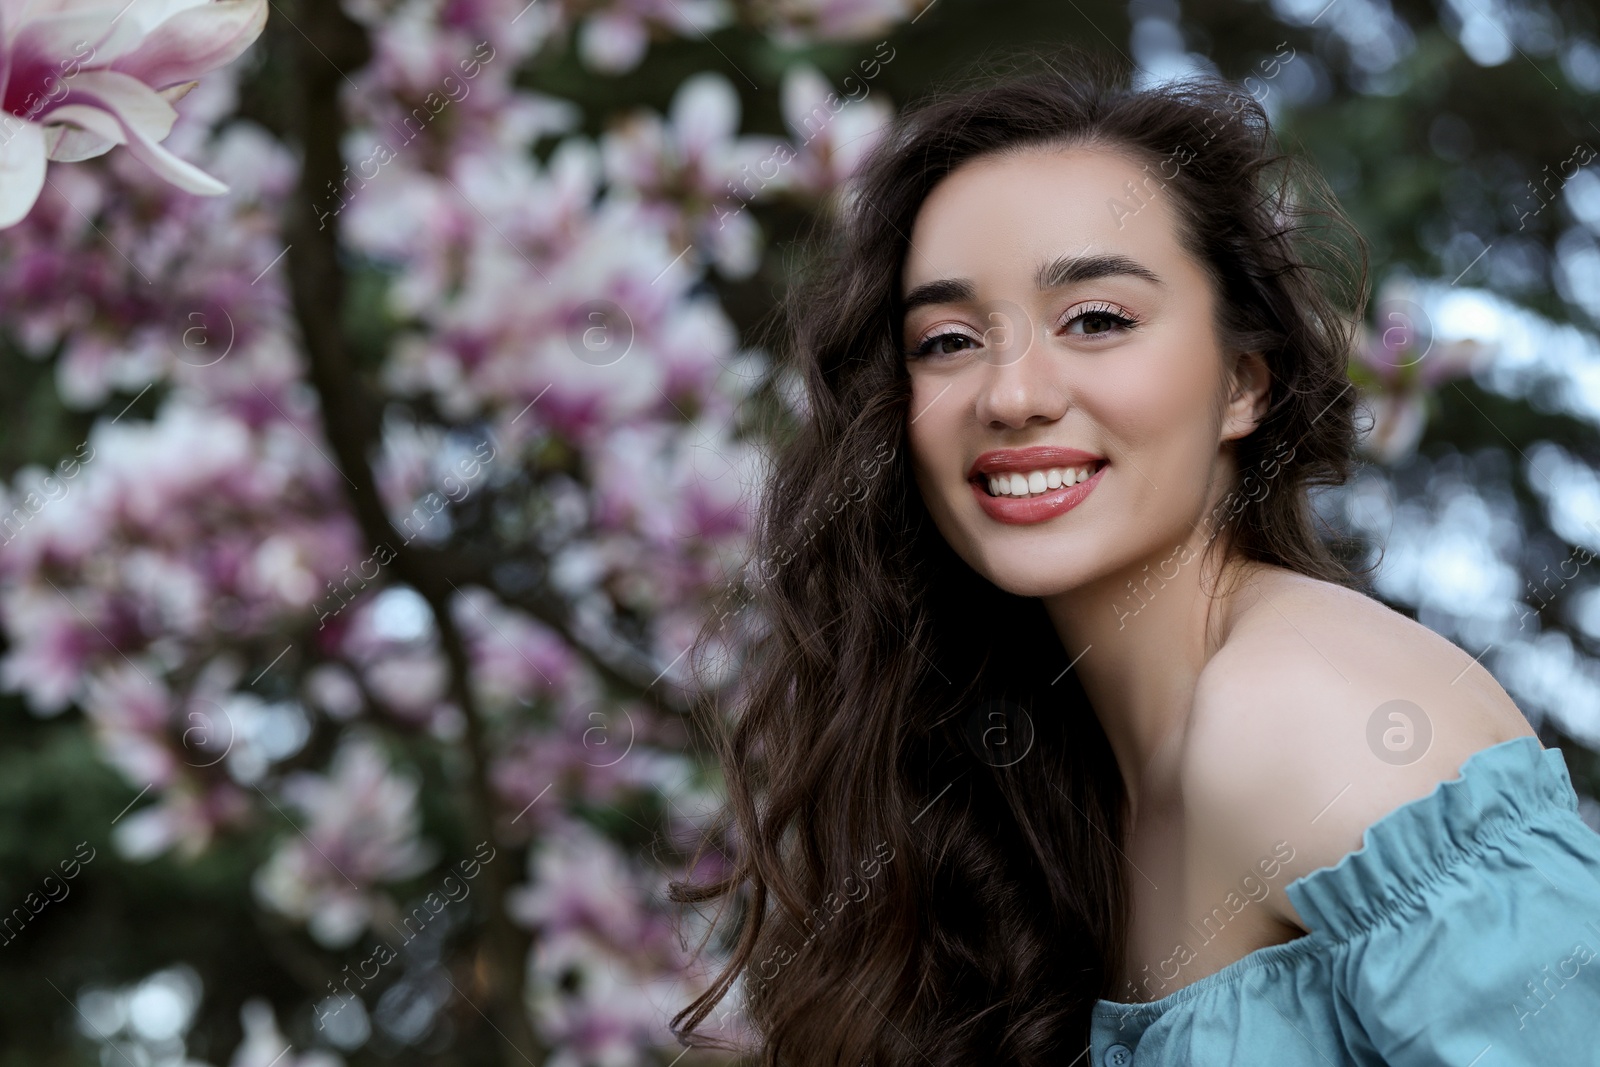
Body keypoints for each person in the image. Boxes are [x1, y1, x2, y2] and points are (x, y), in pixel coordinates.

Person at [669, 53, 1600, 1065]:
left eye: (1097, 319)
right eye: (946, 339)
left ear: (1244, 384)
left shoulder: (1302, 712)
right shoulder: (1062, 778)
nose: (1010, 393)